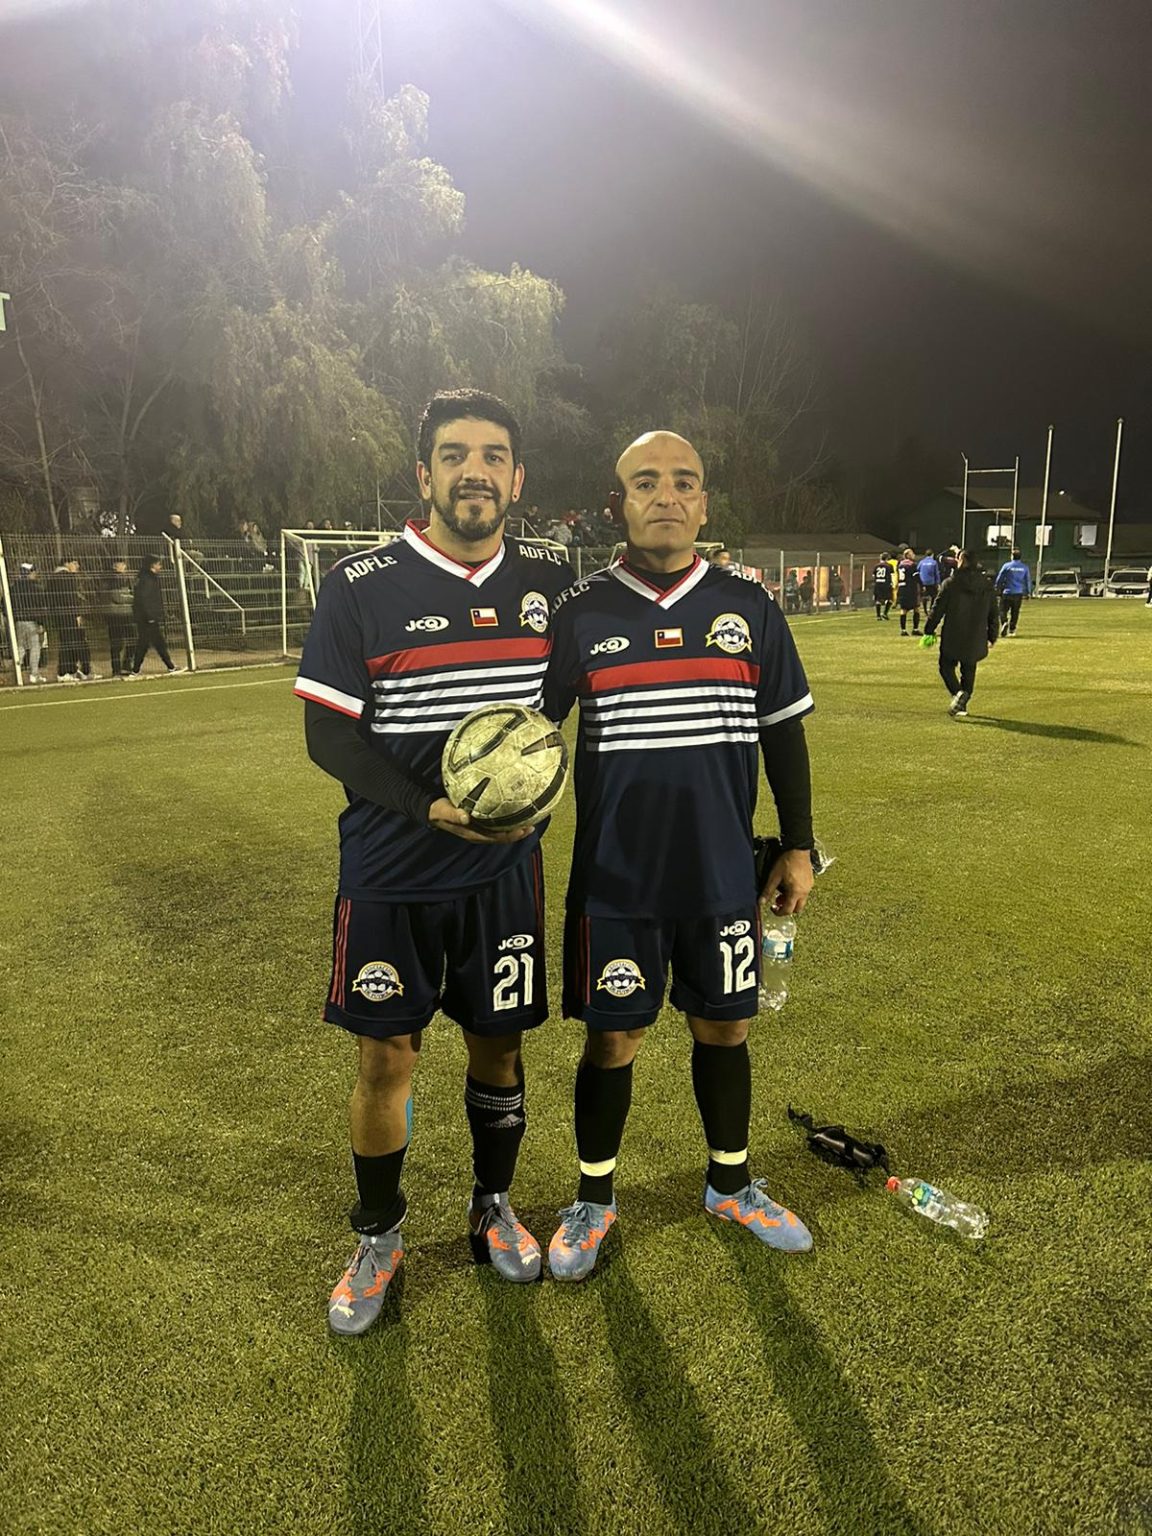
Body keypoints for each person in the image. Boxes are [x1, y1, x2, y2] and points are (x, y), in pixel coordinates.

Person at [294, 389, 572, 1336]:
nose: (474, 473)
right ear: (424, 474)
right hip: (390, 873)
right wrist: (428, 806)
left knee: (500, 1046)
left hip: (504, 875)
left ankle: (493, 1206)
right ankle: (378, 1236)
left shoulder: (549, 579)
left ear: (517, 478)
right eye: (454, 456)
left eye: (493, 457)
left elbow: (564, 702)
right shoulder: (361, 584)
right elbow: (328, 737)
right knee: (387, 1059)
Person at [543, 429, 817, 1282]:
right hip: (616, 879)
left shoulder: (749, 606)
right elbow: (531, 735)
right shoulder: (581, 612)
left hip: (721, 873)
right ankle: (593, 1200)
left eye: (685, 482)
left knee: (726, 1026)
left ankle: (730, 1184)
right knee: (613, 1038)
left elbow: (784, 733)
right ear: (618, 504)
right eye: (647, 482)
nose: (667, 495)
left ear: (703, 504)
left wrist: (798, 846)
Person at [922, 547, 998, 718]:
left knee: (946, 667)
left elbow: (938, 608)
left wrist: (929, 629)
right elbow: (993, 612)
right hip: (976, 634)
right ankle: (962, 702)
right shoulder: (987, 585)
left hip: (953, 633)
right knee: (969, 669)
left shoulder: (951, 583)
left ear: (961, 561)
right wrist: (992, 635)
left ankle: (958, 694)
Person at [126, 556, 185, 678]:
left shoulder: (144, 578)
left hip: (147, 616)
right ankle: (136, 670)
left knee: (155, 643)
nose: (160, 567)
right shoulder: (147, 579)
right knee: (147, 644)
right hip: (147, 618)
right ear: (152, 565)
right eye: (158, 564)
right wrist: (150, 616)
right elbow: (144, 599)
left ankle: (169, 666)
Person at [44, 557, 95, 683]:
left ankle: (72, 670)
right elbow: (70, 598)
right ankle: (64, 671)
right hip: (68, 614)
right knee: (69, 642)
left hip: (58, 615)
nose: (77, 566)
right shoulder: (67, 577)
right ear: (66, 564)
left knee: (69, 641)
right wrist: (76, 614)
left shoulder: (53, 578)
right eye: (74, 563)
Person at [11, 562, 46, 683]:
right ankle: (34, 674)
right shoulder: (35, 588)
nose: (35, 574)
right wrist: (41, 623)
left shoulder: (13, 588)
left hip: (18, 621)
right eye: (33, 572)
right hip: (31, 621)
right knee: (35, 647)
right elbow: (39, 607)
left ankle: (17, 672)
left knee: (20, 646)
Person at [104, 558, 136, 678]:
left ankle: (126, 665)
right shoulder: (111, 580)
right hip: (115, 615)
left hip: (127, 614)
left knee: (133, 640)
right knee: (117, 643)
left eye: (123, 564)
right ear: (114, 566)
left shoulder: (126, 579)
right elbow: (118, 597)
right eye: (119, 564)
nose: (122, 566)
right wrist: (134, 599)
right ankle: (116, 669)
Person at [995, 548, 1032, 636]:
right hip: (1018, 593)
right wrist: (1028, 592)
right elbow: (1027, 580)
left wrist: (997, 587)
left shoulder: (1006, 566)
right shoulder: (1024, 567)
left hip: (1007, 592)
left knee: (1002, 610)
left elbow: (1000, 578)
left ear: (1012, 556)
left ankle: (1004, 622)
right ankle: (1012, 630)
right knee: (1015, 612)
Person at [896, 547, 922, 636]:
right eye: (912, 553)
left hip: (901, 588)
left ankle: (903, 630)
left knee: (903, 609)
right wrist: (922, 585)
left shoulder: (900, 564)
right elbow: (916, 577)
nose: (914, 555)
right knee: (916, 608)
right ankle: (915, 629)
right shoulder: (912, 565)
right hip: (910, 588)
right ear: (908, 555)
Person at [872, 554, 894, 621]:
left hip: (878, 584)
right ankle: (885, 613)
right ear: (887, 558)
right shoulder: (889, 566)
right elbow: (892, 575)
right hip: (886, 584)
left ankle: (878, 616)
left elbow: (873, 575)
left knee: (878, 600)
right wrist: (892, 583)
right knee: (890, 599)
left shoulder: (876, 566)